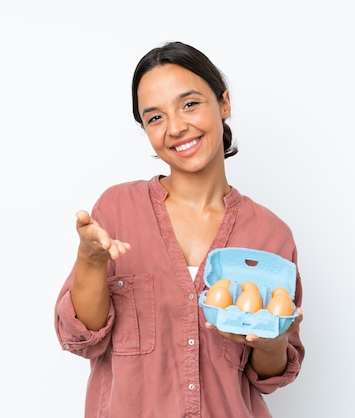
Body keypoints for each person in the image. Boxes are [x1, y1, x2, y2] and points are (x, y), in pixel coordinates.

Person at [54, 40, 305, 418]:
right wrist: (89, 259)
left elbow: (267, 376)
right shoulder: (118, 209)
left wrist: (273, 344)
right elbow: (82, 338)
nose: (175, 127)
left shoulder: (271, 234)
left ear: (224, 103)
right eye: (155, 117)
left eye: (190, 104)